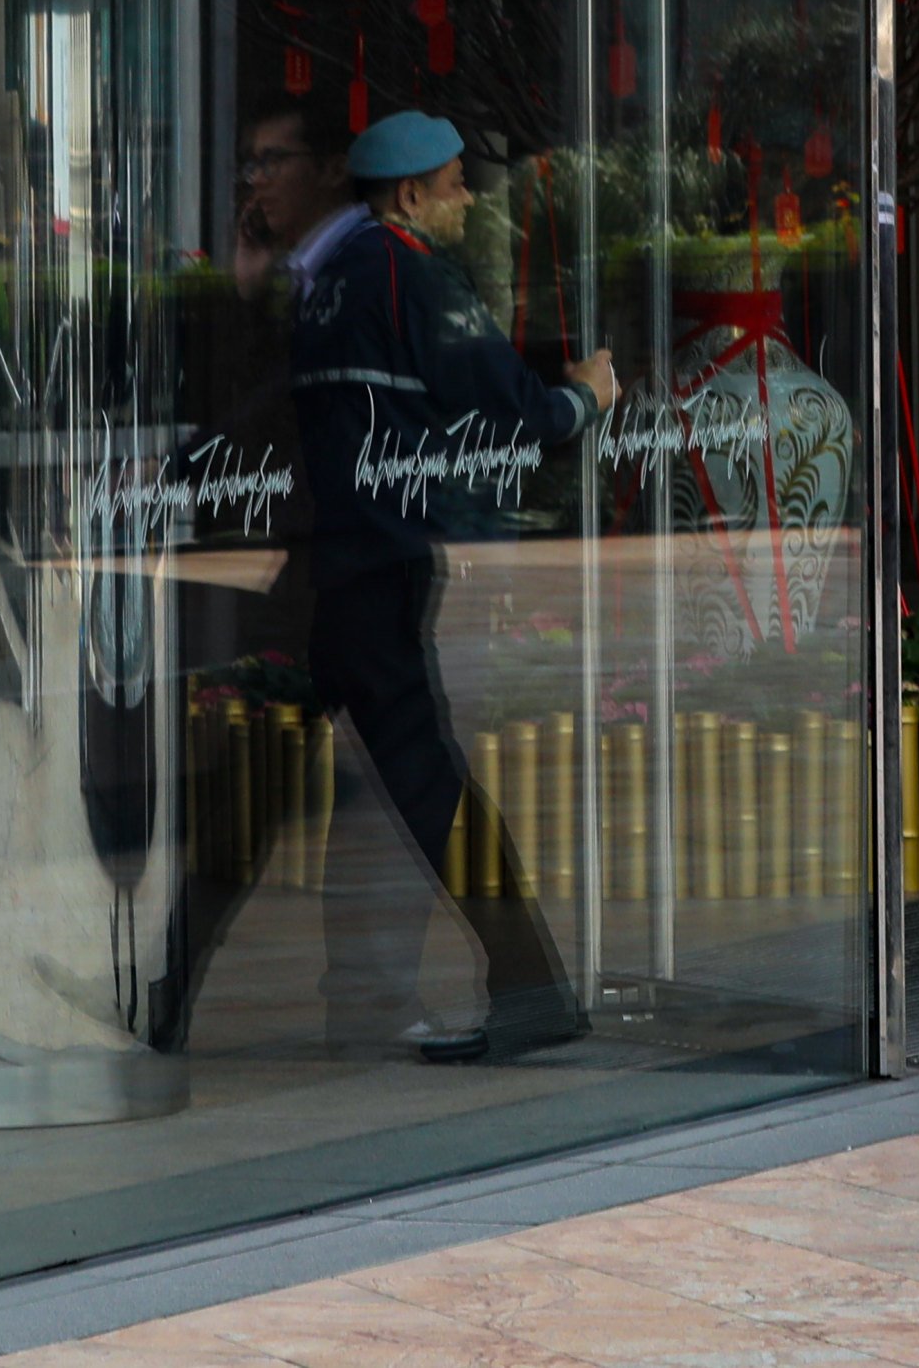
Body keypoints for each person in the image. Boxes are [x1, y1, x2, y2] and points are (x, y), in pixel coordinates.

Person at [191, 106, 623, 1062]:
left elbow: (276, 413)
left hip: (313, 567)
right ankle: (532, 988)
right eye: (457, 183)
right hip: (375, 573)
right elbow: (516, 411)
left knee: (254, 794)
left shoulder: (323, 284)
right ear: (411, 193)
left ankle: (165, 995)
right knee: (429, 787)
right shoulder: (414, 279)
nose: (469, 201)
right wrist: (585, 395)